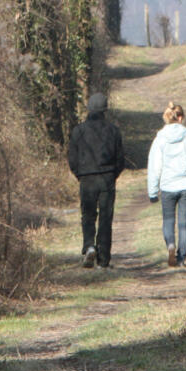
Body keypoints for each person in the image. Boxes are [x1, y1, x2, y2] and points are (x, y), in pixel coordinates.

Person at [67, 92, 125, 268]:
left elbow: (72, 158)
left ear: (89, 109)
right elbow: (120, 159)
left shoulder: (78, 131)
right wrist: (112, 174)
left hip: (86, 178)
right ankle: (104, 259)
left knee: (88, 215)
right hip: (107, 177)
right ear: (105, 110)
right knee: (106, 217)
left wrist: (80, 174)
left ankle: (89, 246)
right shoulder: (114, 131)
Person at [147, 101, 186, 268]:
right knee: (183, 222)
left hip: (167, 187)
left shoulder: (160, 140)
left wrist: (152, 192)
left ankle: (170, 245)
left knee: (168, 220)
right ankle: (181, 258)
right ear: (180, 118)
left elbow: (154, 166)